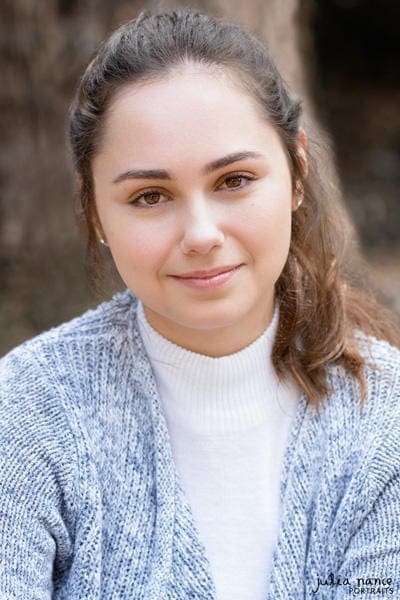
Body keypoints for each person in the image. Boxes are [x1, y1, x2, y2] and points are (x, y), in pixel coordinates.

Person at [1, 8, 399, 599]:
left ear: (296, 170)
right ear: (94, 213)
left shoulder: (385, 419)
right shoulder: (26, 413)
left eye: (234, 180)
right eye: (150, 195)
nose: (201, 234)